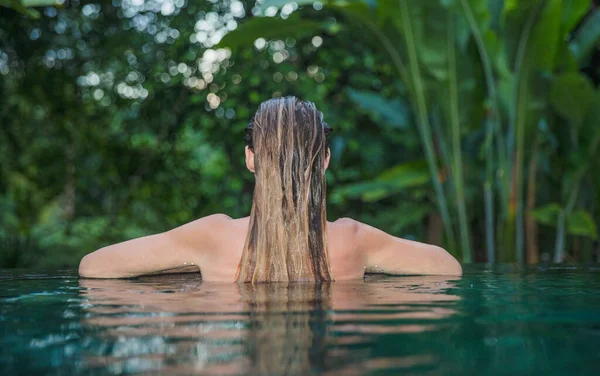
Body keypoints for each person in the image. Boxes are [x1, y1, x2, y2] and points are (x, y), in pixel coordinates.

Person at [79, 97, 462, 282]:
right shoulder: (355, 240)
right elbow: (448, 268)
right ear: (325, 160)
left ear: (250, 158)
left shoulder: (210, 237)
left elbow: (93, 267)